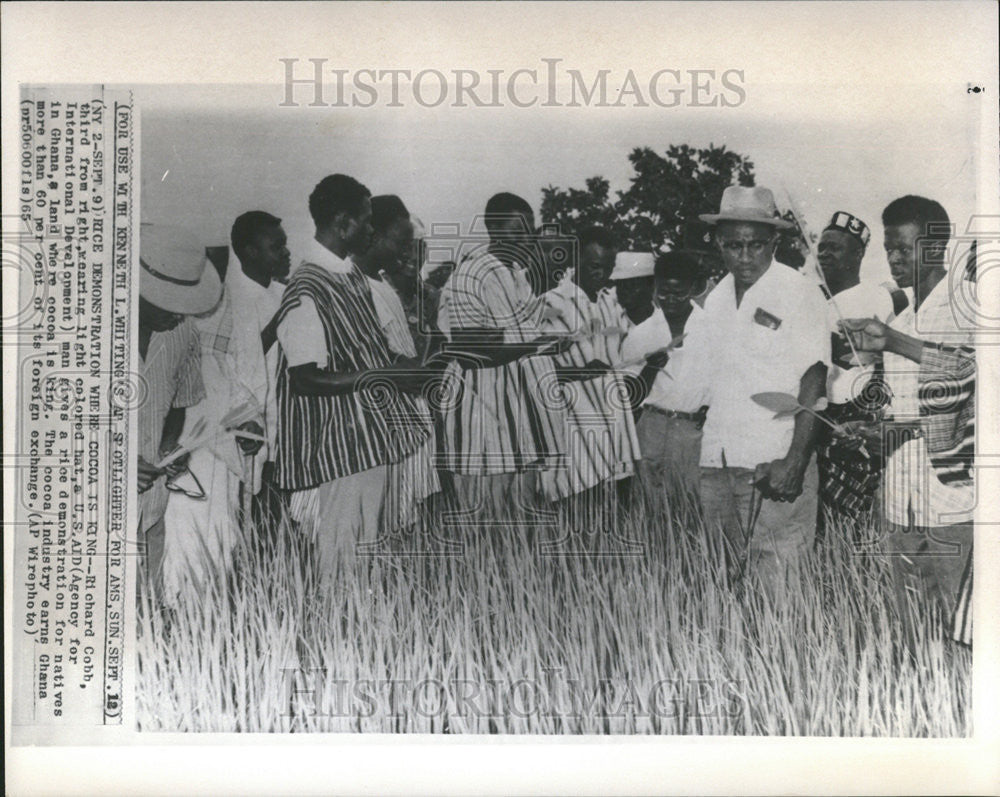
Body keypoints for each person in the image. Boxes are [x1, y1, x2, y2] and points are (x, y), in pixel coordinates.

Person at [273, 174, 435, 577]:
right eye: (365, 220)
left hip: (367, 440)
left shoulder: (347, 278)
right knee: (343, 554)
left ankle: (359, 631)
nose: (369, 228)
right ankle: (335, 633)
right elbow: (305, 379)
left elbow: (360, 354)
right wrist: (388, 377)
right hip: (341, 446)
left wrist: (402, 369)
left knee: (366, 551)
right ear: (343, 223)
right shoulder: (308, 287)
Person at [841, 196, 975, 645]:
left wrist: (894, 343)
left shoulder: (968, 307)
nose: (895, 259)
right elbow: (905, 408)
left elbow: (969, 382)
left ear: (937, 246)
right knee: (912, 610)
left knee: (959, 610)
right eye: (889, 249)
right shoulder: (901, 315)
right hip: (901, 486)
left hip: (953, 490)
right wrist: (872, 428)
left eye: (904, 247)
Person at [692, 186, 831, 594]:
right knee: (722, 587)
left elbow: (815, 381)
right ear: (719, 243)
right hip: (718, 463)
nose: (745, 256)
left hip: (774, 465)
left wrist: (795, 460)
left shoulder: (798, 291)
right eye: (734, 245)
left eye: (756, 245)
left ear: (775, 241)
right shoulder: (716, 298)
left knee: (778, 594)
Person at [437, 192, 569, 515]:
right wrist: (538, 345)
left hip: (516, 417)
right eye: (518, 232)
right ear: (493, 231)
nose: (527, 240)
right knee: (481, 522)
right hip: (481, 417)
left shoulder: (515, 276)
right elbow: (471, 353)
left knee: (517, 522)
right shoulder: (471, 276)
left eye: (530, 232)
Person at [535, 231, 640, 525]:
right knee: (576, 514)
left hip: (615, 423)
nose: (601, 273)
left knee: (617, 515)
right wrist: (577, 373)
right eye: (594, 265)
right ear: (576, 259)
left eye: (607, 267)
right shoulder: (550, 304)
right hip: (573, 426)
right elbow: (527, 368)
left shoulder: (612, 304)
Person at [136, 223, 220, 590]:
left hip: (151, 500)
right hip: (88, 499)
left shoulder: (184, 333)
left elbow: (179, 401)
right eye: (168, 304)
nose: (178, 314)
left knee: (147, 604)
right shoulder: (87, 331)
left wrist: (170, 445)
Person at [814, 211, 907, 537]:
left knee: (850, 527)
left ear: (857, 255)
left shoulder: (872, 296)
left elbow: (851, 355)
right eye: (821, 247)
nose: (824, 253)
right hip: (818, 421)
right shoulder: (813, 297)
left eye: (834, 248)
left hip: (852, 419)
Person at [355, 195, 440, 534]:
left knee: (408, 502)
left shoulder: (428, 295)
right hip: (381, 410)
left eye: (415, 247)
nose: (408, 255)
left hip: (416, 406)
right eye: (403, 245)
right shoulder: (366, 287)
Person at [621, 250, 709, 506]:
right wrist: (650, 368)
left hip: (692, 432)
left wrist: (710, 409)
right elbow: (627, 396)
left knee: (690, 506)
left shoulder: (712, 328)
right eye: (663, 293)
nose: (670, 300)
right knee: (648, 507)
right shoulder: (641, 334)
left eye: (678, 293)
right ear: (655, 287)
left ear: (693, 288)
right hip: (651, 427)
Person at [596, 251, 656, 364]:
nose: (625, 291)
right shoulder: (611, 324)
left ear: (651, 286)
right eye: (621, 284)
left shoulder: (665, 322)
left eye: (633, 284)